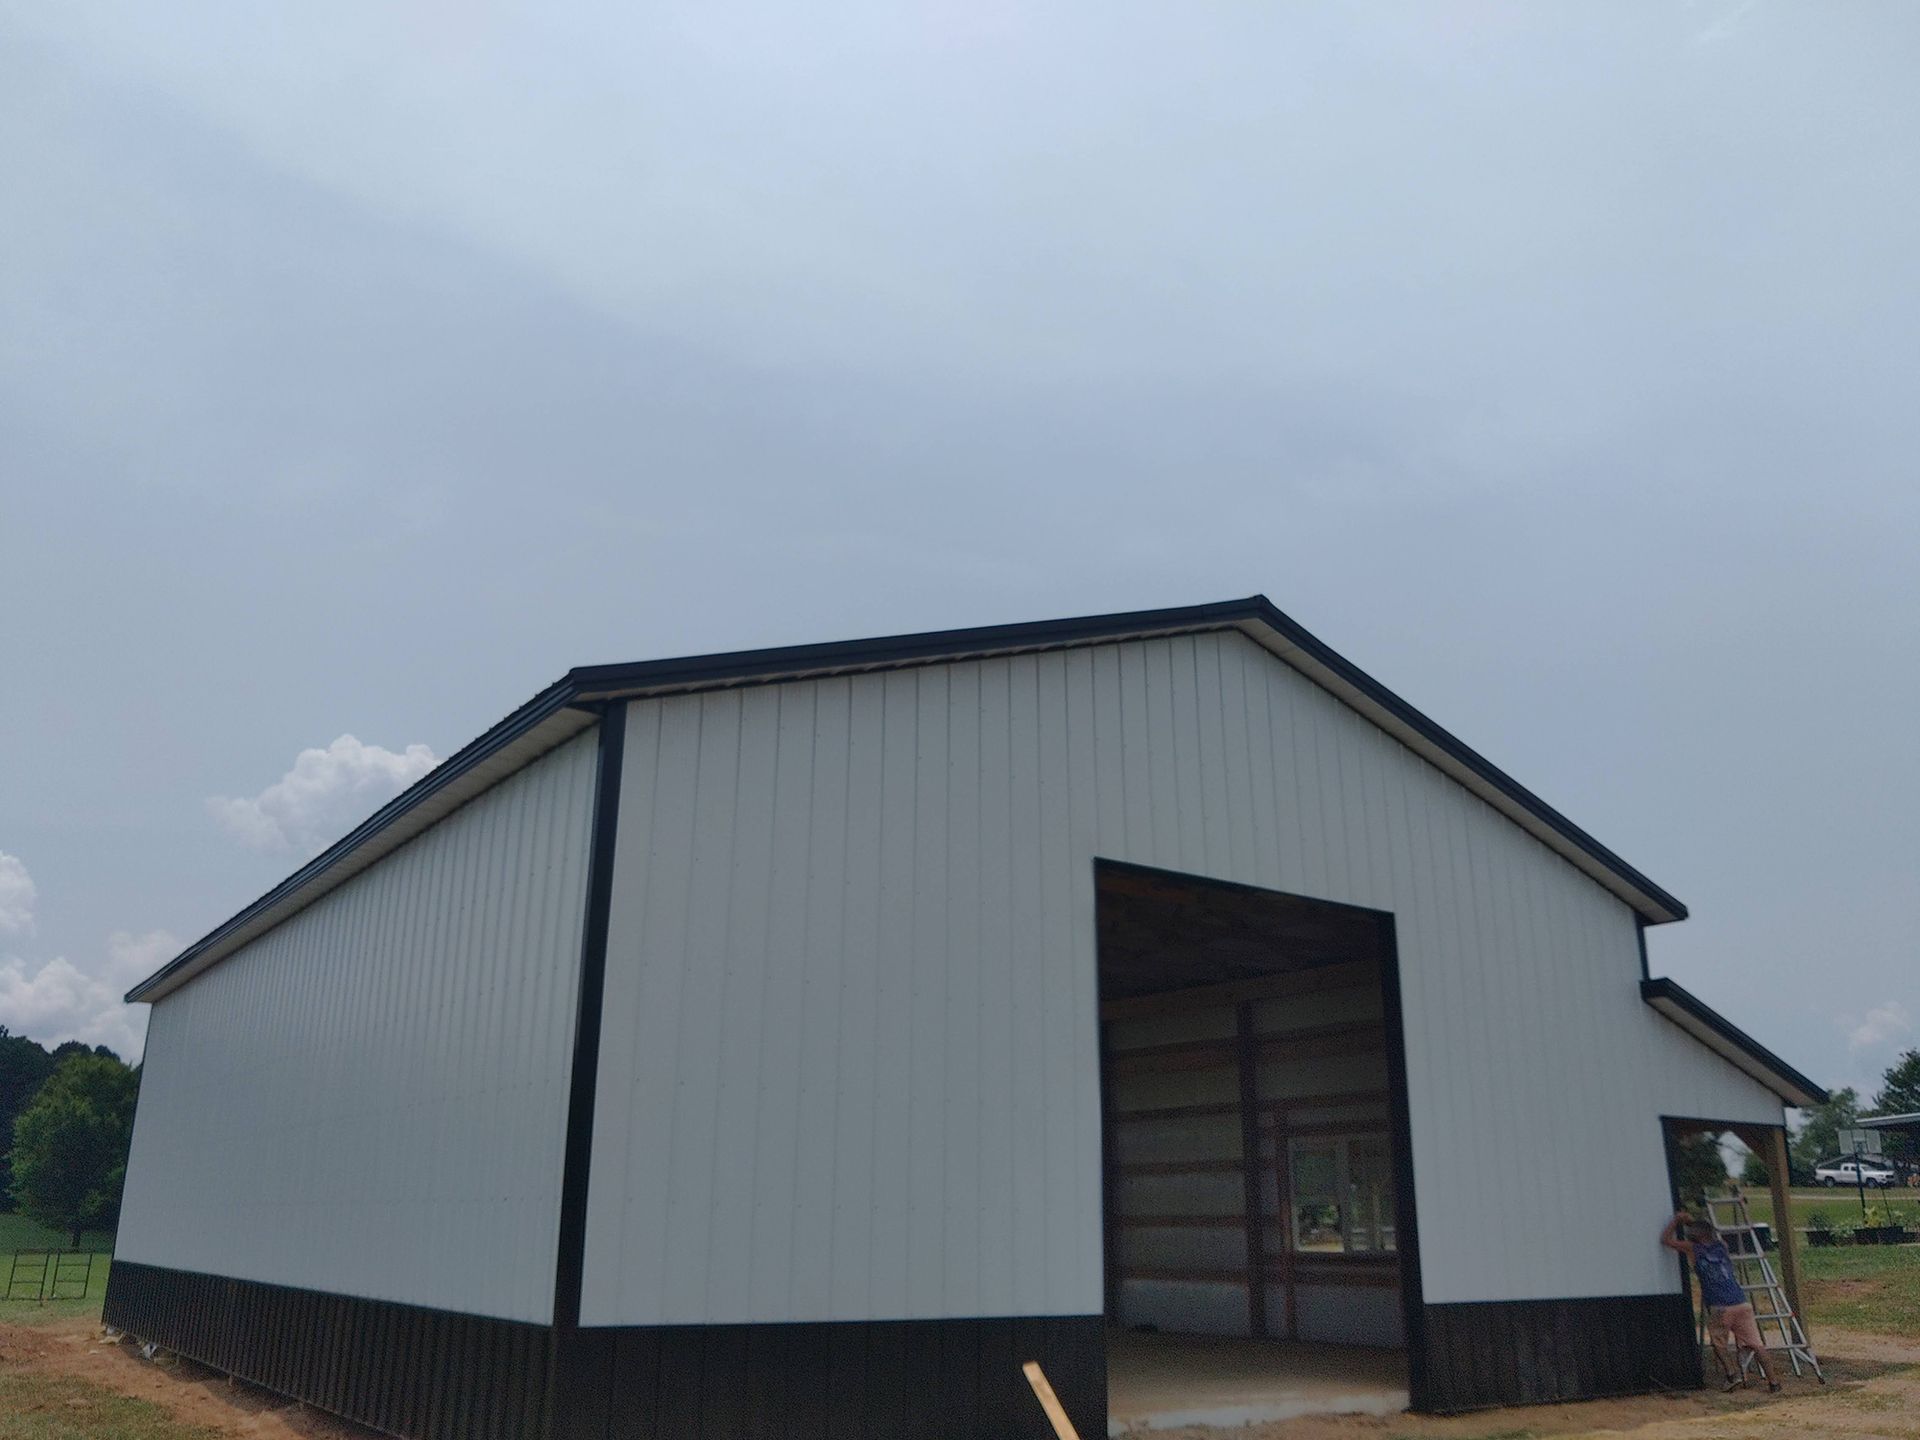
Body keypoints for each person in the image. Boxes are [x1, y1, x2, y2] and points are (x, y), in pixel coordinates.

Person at [1661, 1209, 1780, 1392]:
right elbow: (1704, 1231)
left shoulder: (1693, 1249)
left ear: (1696, 1236)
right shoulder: (1722, 1246)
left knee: (1718, 1344)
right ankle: (1774, 1382)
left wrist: (1678, 1220)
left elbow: (1665, 1241)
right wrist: (1692, 1221)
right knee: (1757, 1344)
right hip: (1741, 1302)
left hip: (1719, 1307)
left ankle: (1732, 1375)